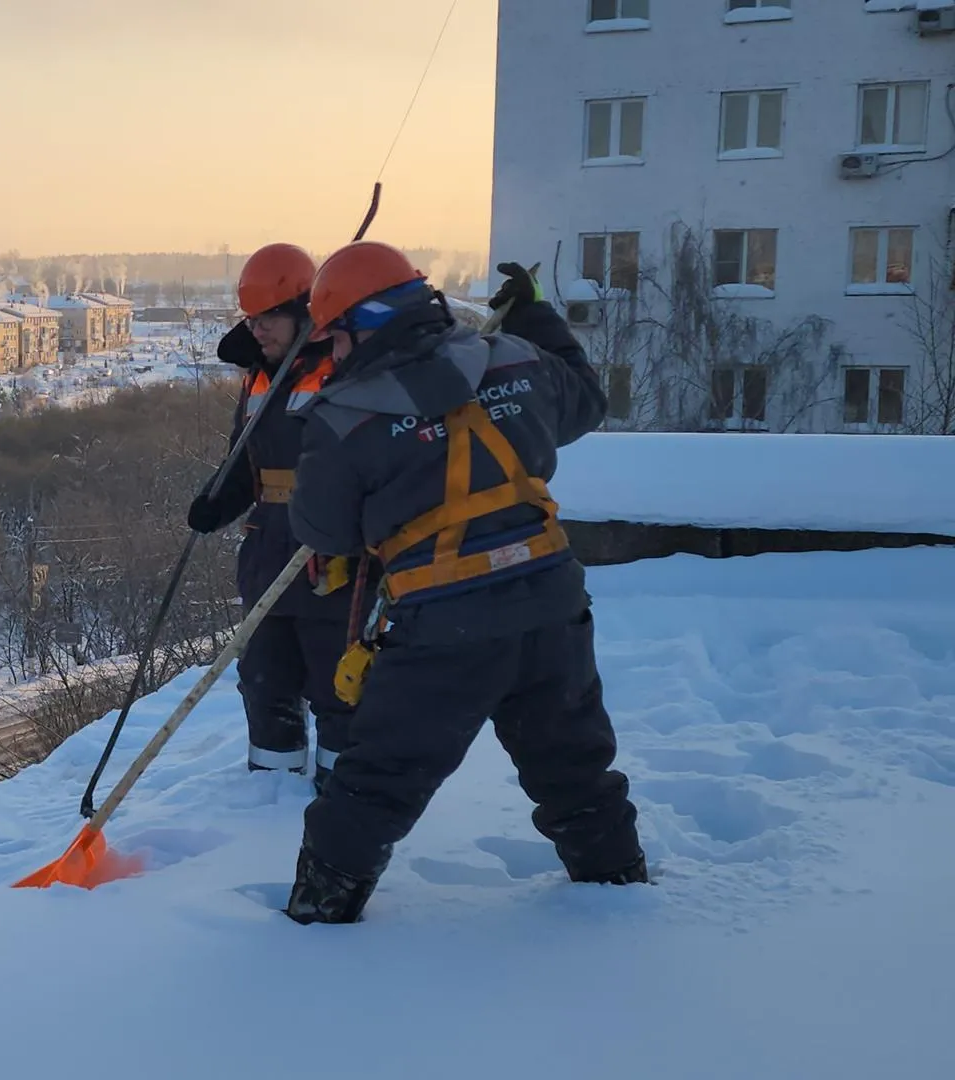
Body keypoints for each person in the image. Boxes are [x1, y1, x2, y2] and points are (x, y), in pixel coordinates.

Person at [280, 244, 647, 925]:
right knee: (574, 767)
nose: (331, 350)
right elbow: (585, 401)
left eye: (334, 335)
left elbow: (325, 531)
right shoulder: (517, 359)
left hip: (446, 627)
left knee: (380, 778)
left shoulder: (343, 418)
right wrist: (538, 318)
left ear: (362, 322)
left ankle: (319, 912)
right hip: (551, 605)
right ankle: (618, 893)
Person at [187, 242, 371, 791]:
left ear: (304, 314)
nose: (258, 329)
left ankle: (344, 796)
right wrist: (219, 499)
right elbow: (247, 463)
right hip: (267, 549)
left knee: (338, 683)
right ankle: (270, 793)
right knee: (265, 680)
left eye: (269, 317)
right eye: (251, 319)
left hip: (330, 557)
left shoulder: (343, 370)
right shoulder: (256, 379)